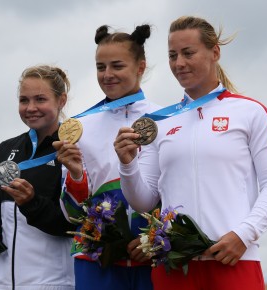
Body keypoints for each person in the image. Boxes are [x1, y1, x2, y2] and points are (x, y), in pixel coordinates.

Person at [114, 16, 267, 290]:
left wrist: (244, 235)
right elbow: (144, 202)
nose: (179, 63)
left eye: (188, 53)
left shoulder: (251, 112)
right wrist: (127, 165)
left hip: (234, 260)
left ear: (215, 52)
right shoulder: (160, 120)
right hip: (173, 265)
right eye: (172, 55)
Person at [53, 25, 161, 290]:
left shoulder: (167, 119)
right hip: (96, 261)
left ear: (140, 67)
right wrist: (76, 175)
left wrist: (154, 237)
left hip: (152, 256)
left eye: (117, 66)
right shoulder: (79, 126)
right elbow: (71, 214)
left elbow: (176, 189)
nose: (107, 75)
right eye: (101, 67)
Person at [0, 65, 76, 290]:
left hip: (53, 282)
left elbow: (72, 224)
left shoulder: (71, 151)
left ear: (61, 100)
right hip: (1, 282)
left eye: (40, 99)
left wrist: (31, 203)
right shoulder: (6, 149)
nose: (31, 108)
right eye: (24, 100)